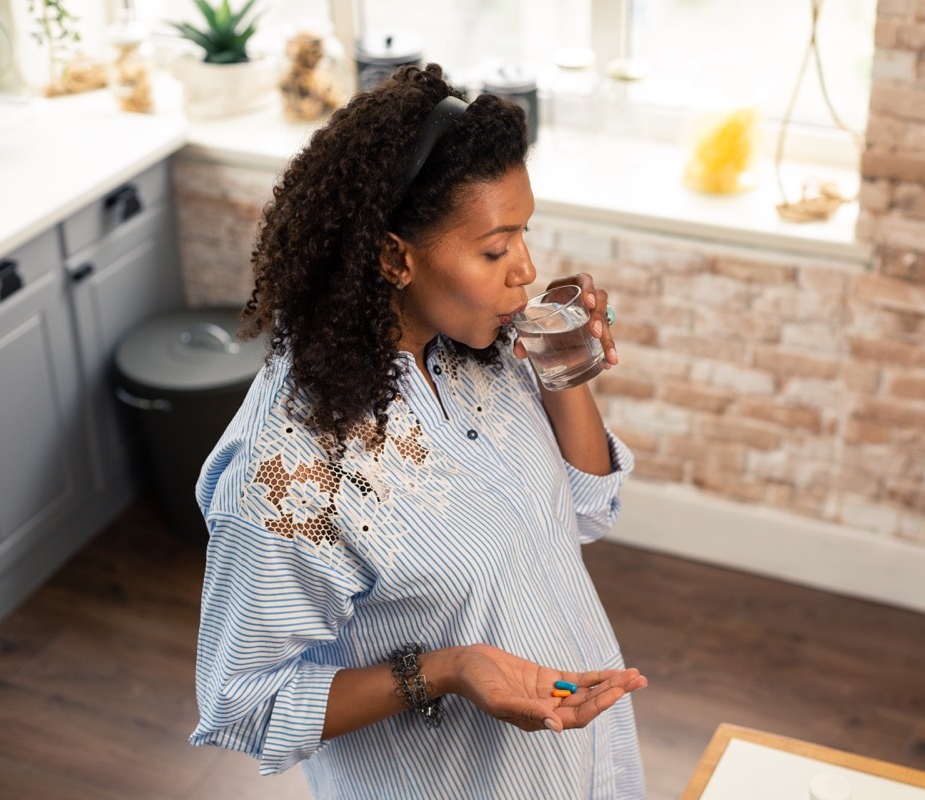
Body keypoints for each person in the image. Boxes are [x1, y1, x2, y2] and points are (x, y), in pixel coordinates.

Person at [187, 63, 648, 799]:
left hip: (589, 763)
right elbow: (241, 706)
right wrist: (445, 669)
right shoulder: (288, 471)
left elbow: (588, 508)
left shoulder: (477, 347)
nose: (525, 270)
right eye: (495, 249)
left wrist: (562, 371)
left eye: (524, 234)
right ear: (396, 256)